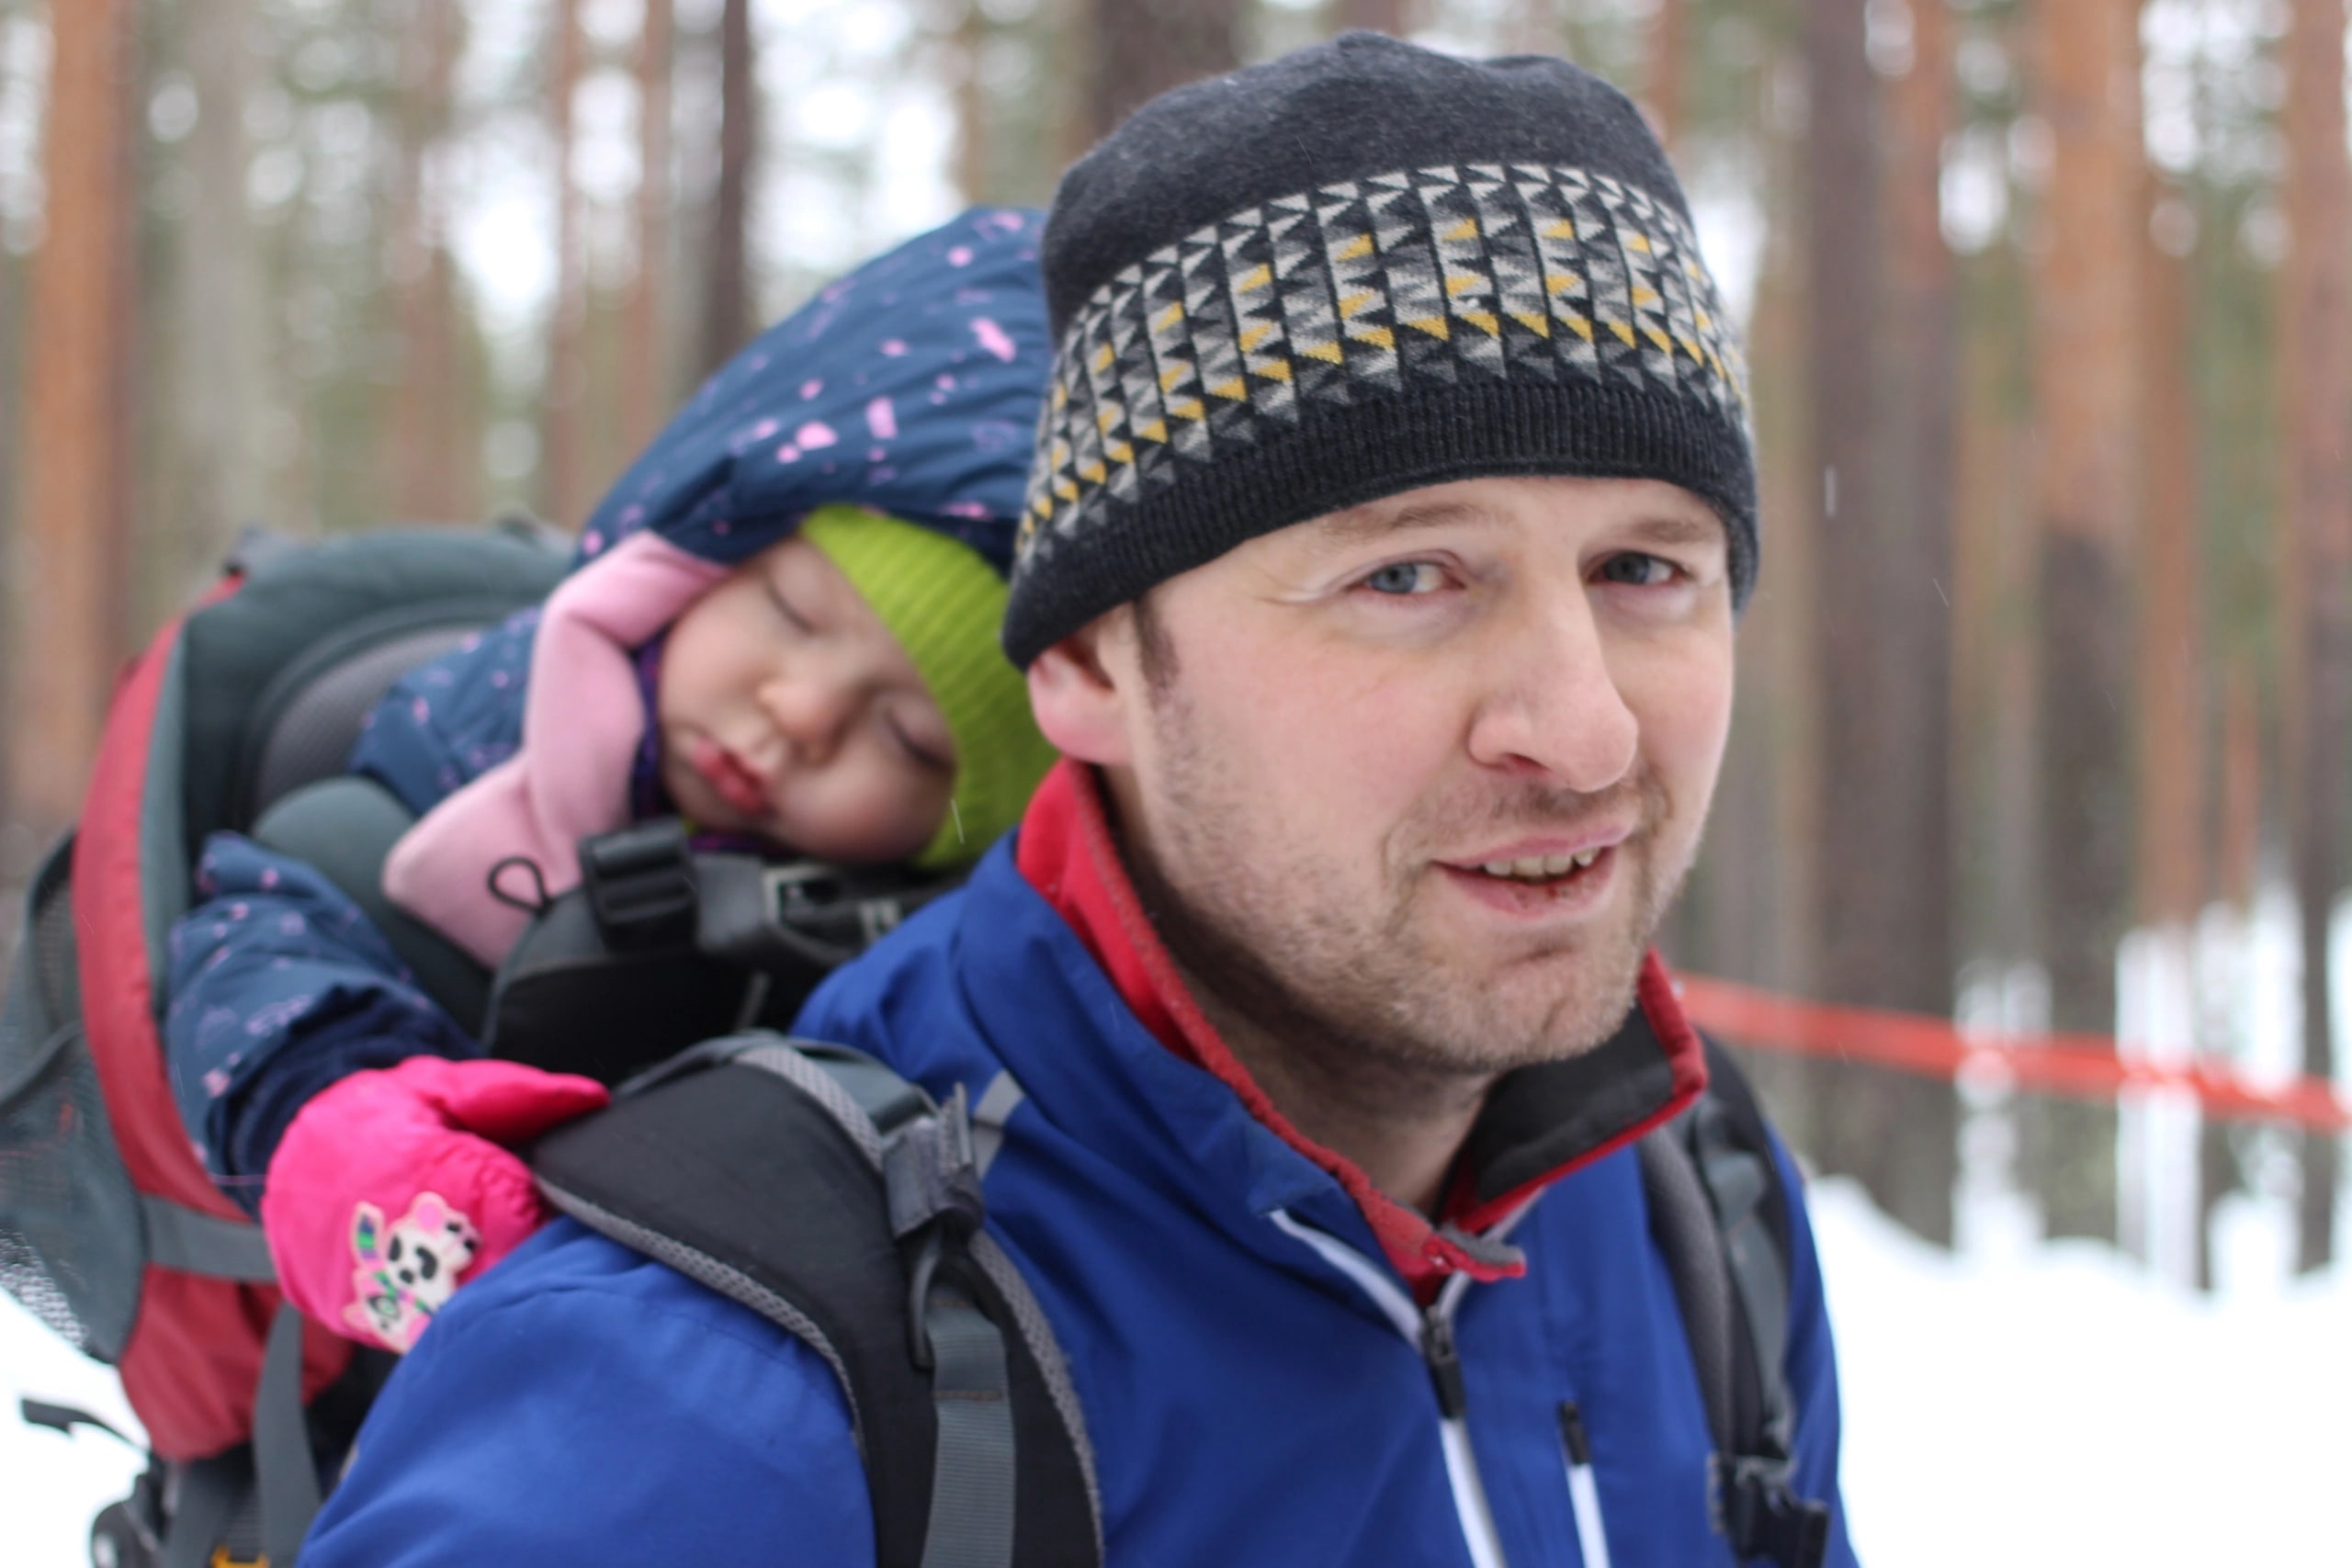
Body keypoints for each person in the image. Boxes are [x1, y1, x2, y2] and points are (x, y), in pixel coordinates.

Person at [300, 34, 1856, 1565]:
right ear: (1093, 667)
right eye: (1407, 574)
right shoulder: (711, 1392)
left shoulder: (1685, 1193)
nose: (1580, 731)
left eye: (1646, 569)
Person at [161, 209, 1057, 1351]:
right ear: (692, 568)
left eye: (910, 741)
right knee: (335, 840)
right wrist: (342, 1113)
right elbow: (258, 942)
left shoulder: (923, 950)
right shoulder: (467, 748)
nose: (800, 713)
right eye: (790, 615)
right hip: (389, 1350)